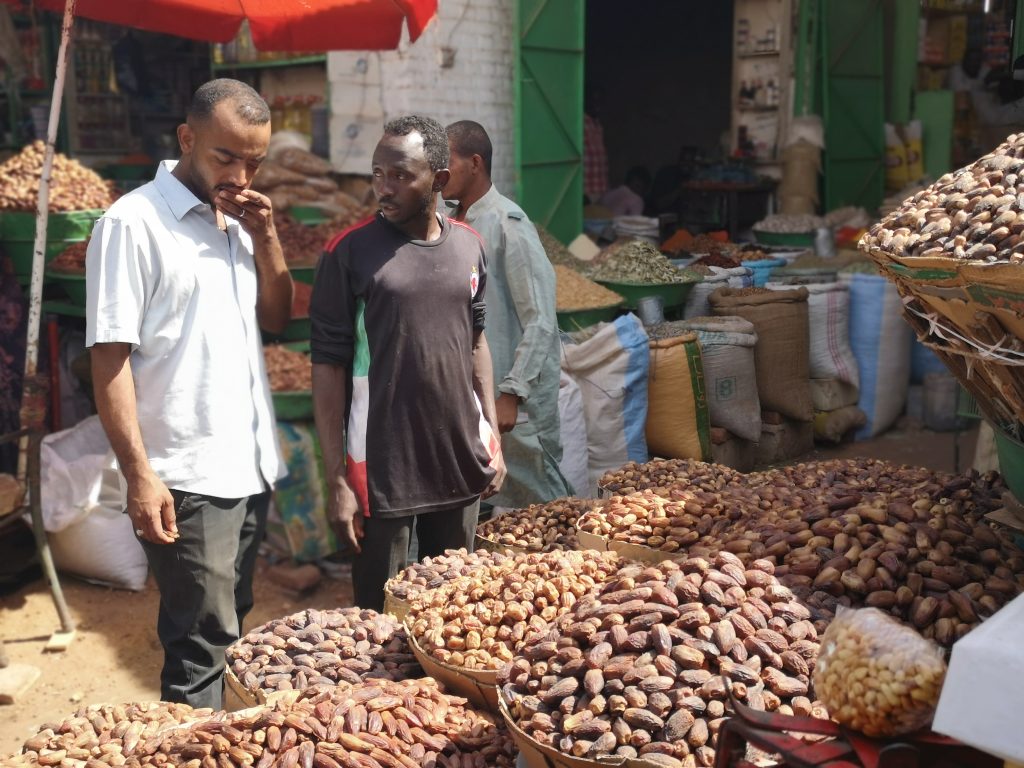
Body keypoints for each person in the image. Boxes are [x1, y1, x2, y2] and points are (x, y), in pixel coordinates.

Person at [86, 79, 292, 709]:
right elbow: (109, 359)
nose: (240, 174)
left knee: (233, 626)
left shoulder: (236, 223)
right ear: (187, 139)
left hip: (248, 463)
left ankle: (215, 744)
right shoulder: (133, 223)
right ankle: (186, 748)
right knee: (201, 644)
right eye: (225, 157)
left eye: (253, 162)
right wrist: (141, 476)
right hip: (187, 476)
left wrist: (267, 238)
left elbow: (279, 318)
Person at [311, 115, 506, 612]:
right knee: (379, 622)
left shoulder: (469, 246)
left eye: (401, 175)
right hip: (382, 470)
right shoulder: (349, 253)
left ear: (439, 181)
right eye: (378, 174)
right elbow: (328, 368)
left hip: (458, 458)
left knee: (453, 613)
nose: (385, 187)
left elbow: (476, 343)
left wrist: (492, 436)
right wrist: (337, 478)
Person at [444, 120, 573, 510]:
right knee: (483, 502)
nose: (440, 173)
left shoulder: (508, 225)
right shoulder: (449, 225)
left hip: (514, 402)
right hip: (472, 396)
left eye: (448, 161)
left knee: (544, 504)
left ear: (475, 163)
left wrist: (511, 394)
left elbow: (540, 320)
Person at [583, 87, 609, 204]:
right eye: (593, 100)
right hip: (585, 189)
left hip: (599, 188)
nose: (597, 105)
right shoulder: (579, 123)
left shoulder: (597, 124)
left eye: (599, 101)